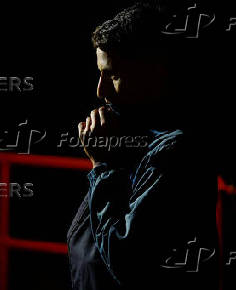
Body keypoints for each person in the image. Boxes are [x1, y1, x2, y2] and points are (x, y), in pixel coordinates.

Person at [67, 3, 218, 290]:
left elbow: (126, 258)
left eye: (112, 75)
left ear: (153, 73)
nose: (100, 91)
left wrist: (102, 167)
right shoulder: (131, 140)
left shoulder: (175, 152)